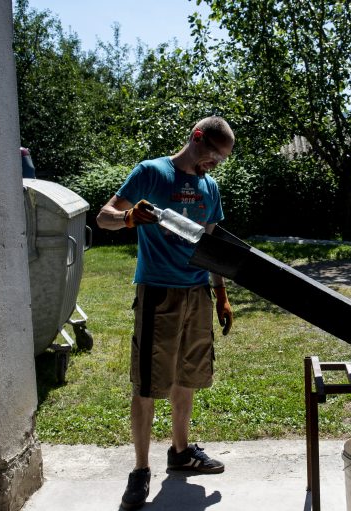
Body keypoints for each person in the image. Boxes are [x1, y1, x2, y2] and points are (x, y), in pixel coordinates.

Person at [96, 115, 235, 511]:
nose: (215, 165)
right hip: (158, 290)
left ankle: (180, 451)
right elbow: (103, 216)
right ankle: (140, 470)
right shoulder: (151, 173)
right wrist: (126, 218)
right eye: (213, 155)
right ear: (196, 138)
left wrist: (220, 293)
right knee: (148, 383)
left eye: (221, 160)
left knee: (186, 374)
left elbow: (211, 244)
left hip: (198, 293)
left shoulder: (209, 186)